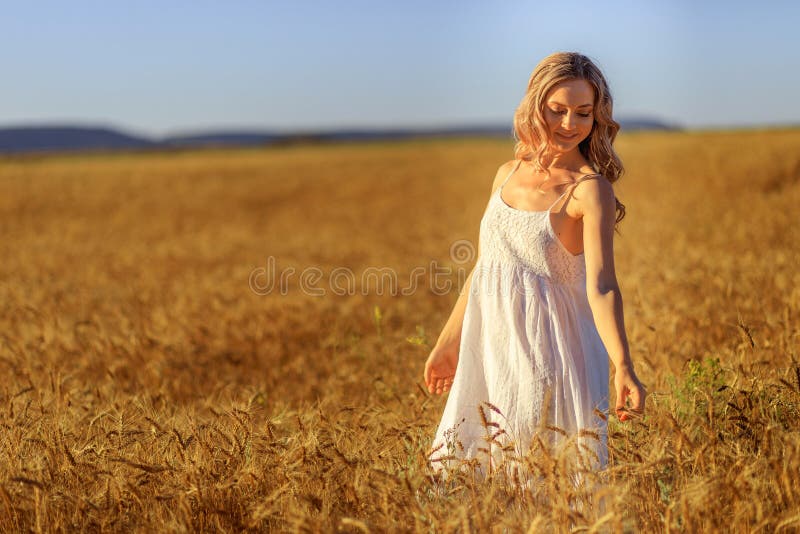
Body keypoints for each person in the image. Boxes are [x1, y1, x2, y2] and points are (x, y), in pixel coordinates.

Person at [423, 52, 646, 483]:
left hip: (556, 355)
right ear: (534, 107)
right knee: (471, 477)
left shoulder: (589, 190)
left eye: (583, 113)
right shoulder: (505, 174)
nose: (569, 124)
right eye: (557, 110)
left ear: (597, 117)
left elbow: (601, 286)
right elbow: (487, 267)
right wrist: (448, 343)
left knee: (546, 483)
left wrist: (624, 365)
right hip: (491, 350)